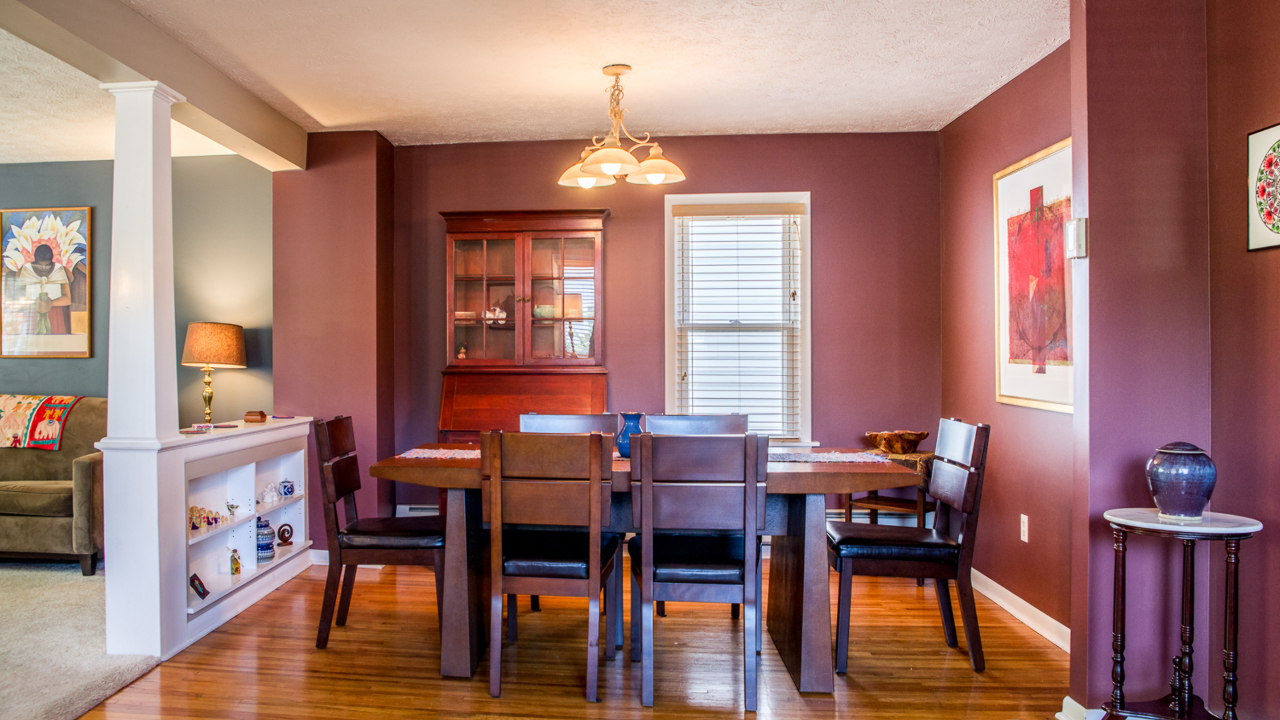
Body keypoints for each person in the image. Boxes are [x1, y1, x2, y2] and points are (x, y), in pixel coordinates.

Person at [16, 244, 70, 334]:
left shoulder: (59, 270)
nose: (44, 268)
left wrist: (50, 303)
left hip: (55, 313)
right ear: (35, 261)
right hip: (32, 313)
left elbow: (67, 299)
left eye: (47, 265)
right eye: (40, 265)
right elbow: (19, 298)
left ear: (52, 261)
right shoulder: (25, 270)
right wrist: (35, 304)